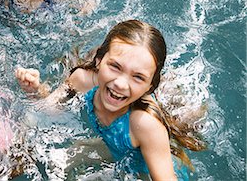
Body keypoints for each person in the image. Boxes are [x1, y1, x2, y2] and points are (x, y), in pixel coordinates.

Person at [15, 20, 206, 180]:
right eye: (115, 66)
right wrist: (35, 90)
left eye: (138, 77)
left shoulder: (145, 125)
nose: (121, 84)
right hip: (111, 148)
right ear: (99, 60)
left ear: (150, 87)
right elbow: (50, 109)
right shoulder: (82, 80)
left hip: (143, 172)